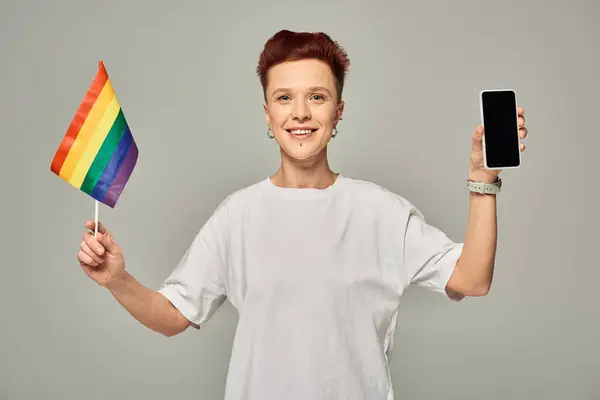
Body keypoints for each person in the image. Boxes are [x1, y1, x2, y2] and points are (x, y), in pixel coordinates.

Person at [76, 30, 528, 400]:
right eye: (284, 98)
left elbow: (472, 279)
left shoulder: (380, 213)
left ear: (338, 112)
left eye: (317, 97)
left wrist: (481, 181)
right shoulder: (238, 216)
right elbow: (172, 316)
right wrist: (118, 279)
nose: (300, 114)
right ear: (268, 114)